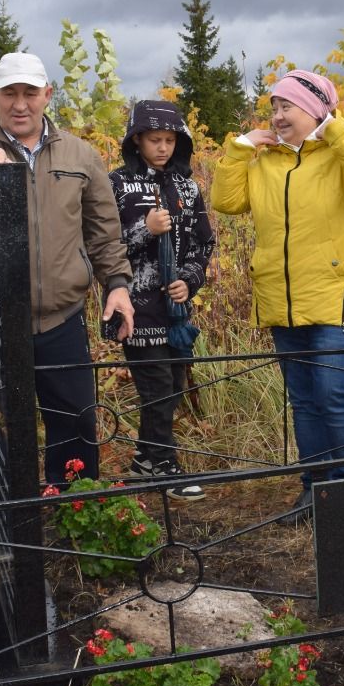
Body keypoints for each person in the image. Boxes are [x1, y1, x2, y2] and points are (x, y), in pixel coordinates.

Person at [0, 51, 133, 565]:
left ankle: (73, 519)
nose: (19, 104)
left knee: (74, 419)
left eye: (29, 93)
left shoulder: (81, 155)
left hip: (59, 317)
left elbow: (104, 232)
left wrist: (117, 285)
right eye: (9, 93)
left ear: (47, 95)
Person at [211, 69, 344, 522]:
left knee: (332, 393)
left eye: (286, 106)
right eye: (273, 107)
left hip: (336, 295)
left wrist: (337, 128)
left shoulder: (339, 154)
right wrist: (240, 148)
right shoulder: (265, 161)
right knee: (305, 398)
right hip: (280, 296)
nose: (277, 115)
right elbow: (227, 202)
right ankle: (315, 489)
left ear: (314, 110)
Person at [109, 99, 216, 500]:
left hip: (176, 310)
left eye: (170, 140)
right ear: (136, 140)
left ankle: (143, 460)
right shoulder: (116, 184)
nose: (163, 147)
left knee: (172, 383)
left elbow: (204, 242)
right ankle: (167, 466)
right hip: (135, 307)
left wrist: (189, 281)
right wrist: (145, 228)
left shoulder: (187, 186)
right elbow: (103, 245)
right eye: (155, 139)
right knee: (158, 390)